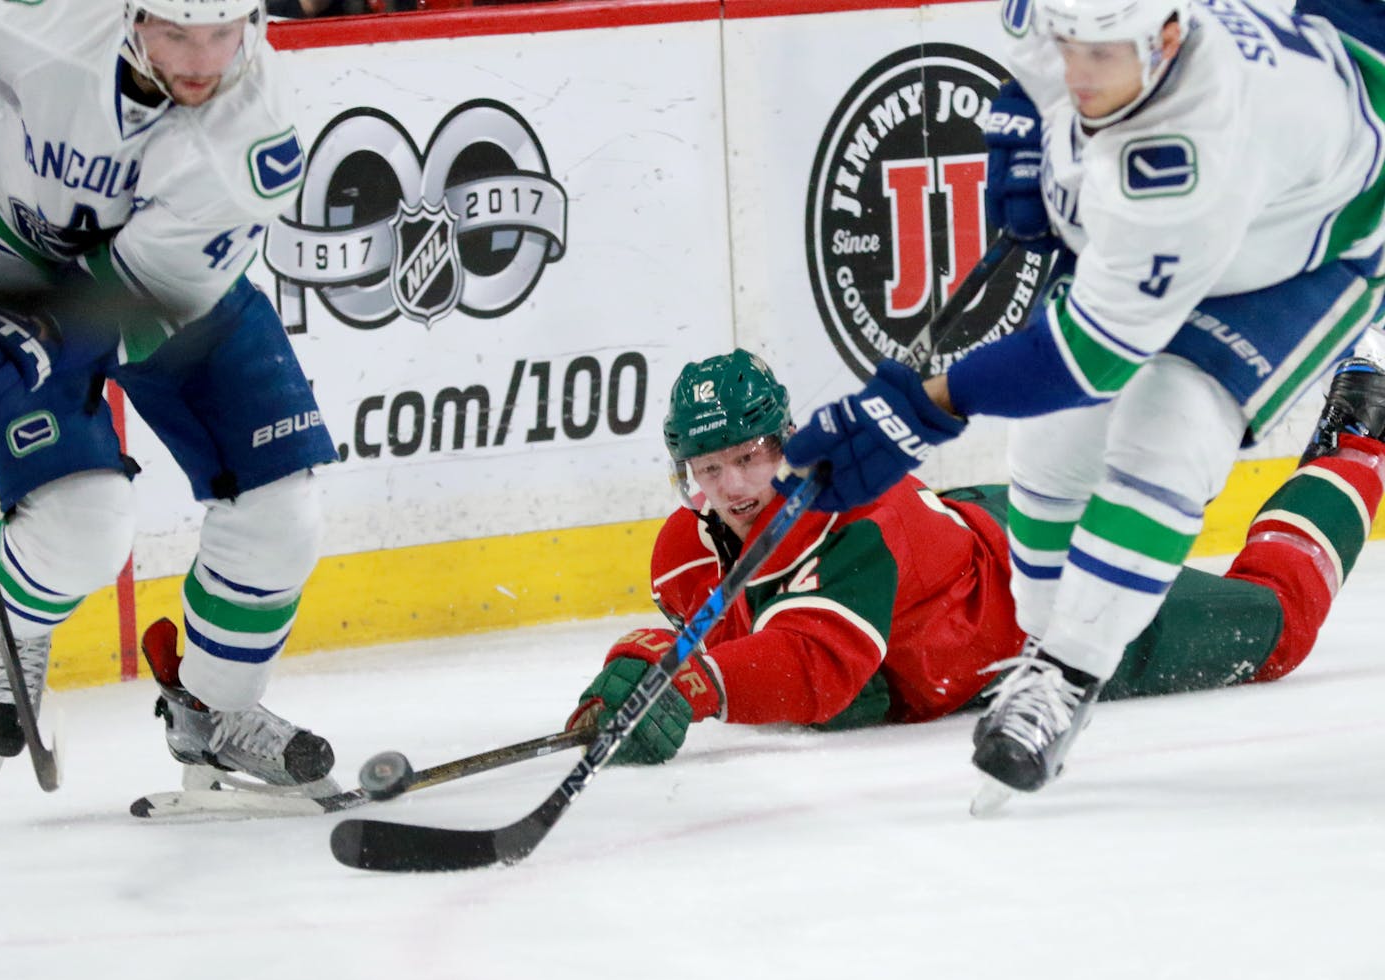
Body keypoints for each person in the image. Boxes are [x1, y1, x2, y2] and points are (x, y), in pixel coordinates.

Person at [775, 0, 1385, 803]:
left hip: (1311, 247)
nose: (1081, 74)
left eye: (1104, 57)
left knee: (1167, 431)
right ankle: (1045, 636)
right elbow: (1036, 67)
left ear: (1168, 40)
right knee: (1051, 449)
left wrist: (924, 404)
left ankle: (1067, 675)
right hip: (1248, 179)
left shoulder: (1191, 150)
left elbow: (1090, 360)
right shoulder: (1100, 25)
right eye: (1074, 50)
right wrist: (1019, 130)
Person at [564, 350, 1385, 789]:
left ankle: (1358, 441)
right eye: (707, 470)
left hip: (1043, 602)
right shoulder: (683, 554)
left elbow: (818, 667)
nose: (732, 488)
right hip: (966, 544)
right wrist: (654, 685)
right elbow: (825, 678)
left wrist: (690, 680)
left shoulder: (852, 519)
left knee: (1277, 625)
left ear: (784, 443)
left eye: (748, 458)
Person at [0, 0, 338, 792]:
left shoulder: (252, 139)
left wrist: (6, 352)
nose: (200, 59)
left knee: (283, 515)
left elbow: (129, 302)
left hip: (153, 290)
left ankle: (213, 710)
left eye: (222, 34)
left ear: (256, 24)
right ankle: (12, 628)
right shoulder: (57, 12)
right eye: (175, 33)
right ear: (130, 15)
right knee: (82, 532)